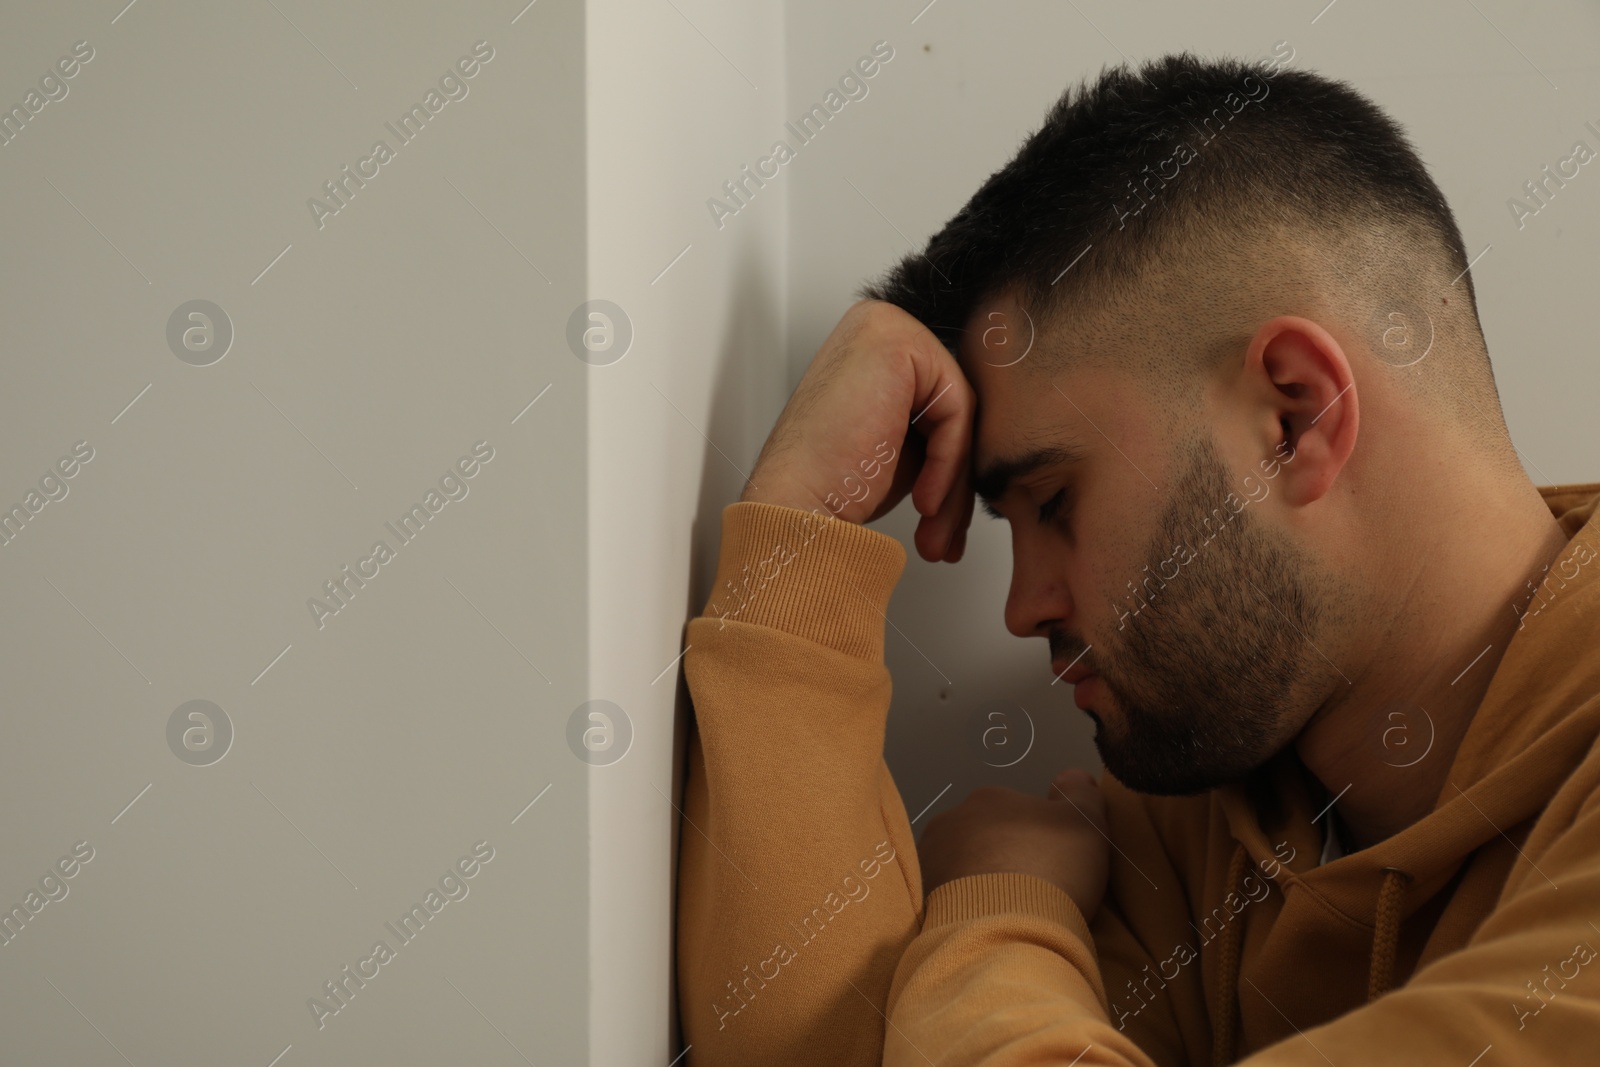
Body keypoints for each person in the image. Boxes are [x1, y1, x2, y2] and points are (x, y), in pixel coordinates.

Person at [674, 51, 1600, 1066]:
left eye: (1056, 500)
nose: (1022, 607)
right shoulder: (1200, 794)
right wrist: (797, 539)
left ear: (1294, 417)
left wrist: (1003, 909)